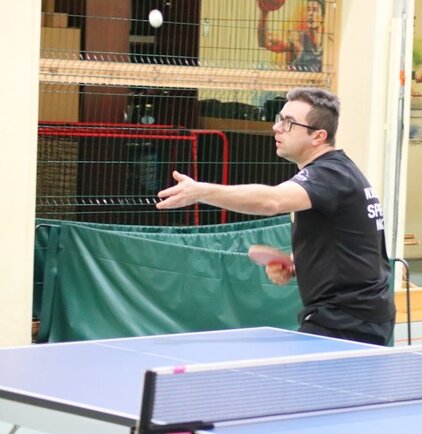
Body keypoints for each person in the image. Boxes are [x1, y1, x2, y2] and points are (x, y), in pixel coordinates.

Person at [156, 87, 395, 346]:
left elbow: (272, 201)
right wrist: (296, 264)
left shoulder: (331, 175)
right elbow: (349, 242)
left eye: (289, 122)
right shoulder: (336, 173)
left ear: (318, 136)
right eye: (279, 119)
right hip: (353, 316)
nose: (277, 128)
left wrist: (201, 192)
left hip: (348, 320)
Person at [257, 0, 324, 72]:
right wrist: (264, 12)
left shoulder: (328, 44)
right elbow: (265, 42)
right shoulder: (297, 39)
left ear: (323, 17)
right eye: (308, 10)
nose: (310, 13)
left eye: (315, 10)